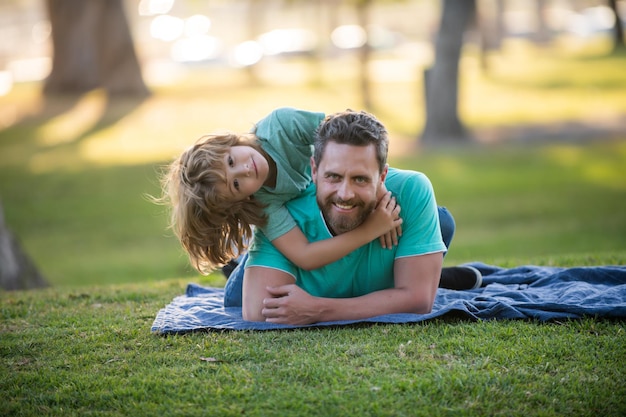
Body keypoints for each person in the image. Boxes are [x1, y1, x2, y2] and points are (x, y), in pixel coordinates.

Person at [224, 109, 481, 324]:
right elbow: (260, 313)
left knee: (440, 221)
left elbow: (418, 300)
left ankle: (423, 272)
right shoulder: (276, 212)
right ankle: (240, 261)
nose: (345, 193)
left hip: (371, 237)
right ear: (314, 169)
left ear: (382, 177)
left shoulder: (409, 190)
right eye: (333, 177)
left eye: (360, 179)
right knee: (236, 296)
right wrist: (370, 231)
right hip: (291, 247)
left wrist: (318, 309)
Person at [159, 107, 401, 277]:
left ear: (230, 143)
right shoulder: (264, 202)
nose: (245, 170)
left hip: (333, 211)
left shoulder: (282, 126)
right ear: (241, 200)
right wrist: (372, 229)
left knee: (438, 223)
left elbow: (350, 141)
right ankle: (237, 266)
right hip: (311, 228)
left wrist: (381, 195)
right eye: (236, 185)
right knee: (243, 290)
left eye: (231, 161)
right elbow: (304, 256)